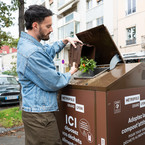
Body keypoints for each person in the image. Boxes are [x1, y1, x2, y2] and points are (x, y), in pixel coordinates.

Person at [17, 5, 82, 145]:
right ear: (35, 25)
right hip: (40, 116)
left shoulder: (30, 45)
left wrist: (64, 41)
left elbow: (46, 51)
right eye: (48, 26)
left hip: (37, 112)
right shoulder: (32, 52)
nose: (52, 29)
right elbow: (53, 82)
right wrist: (71, 72)